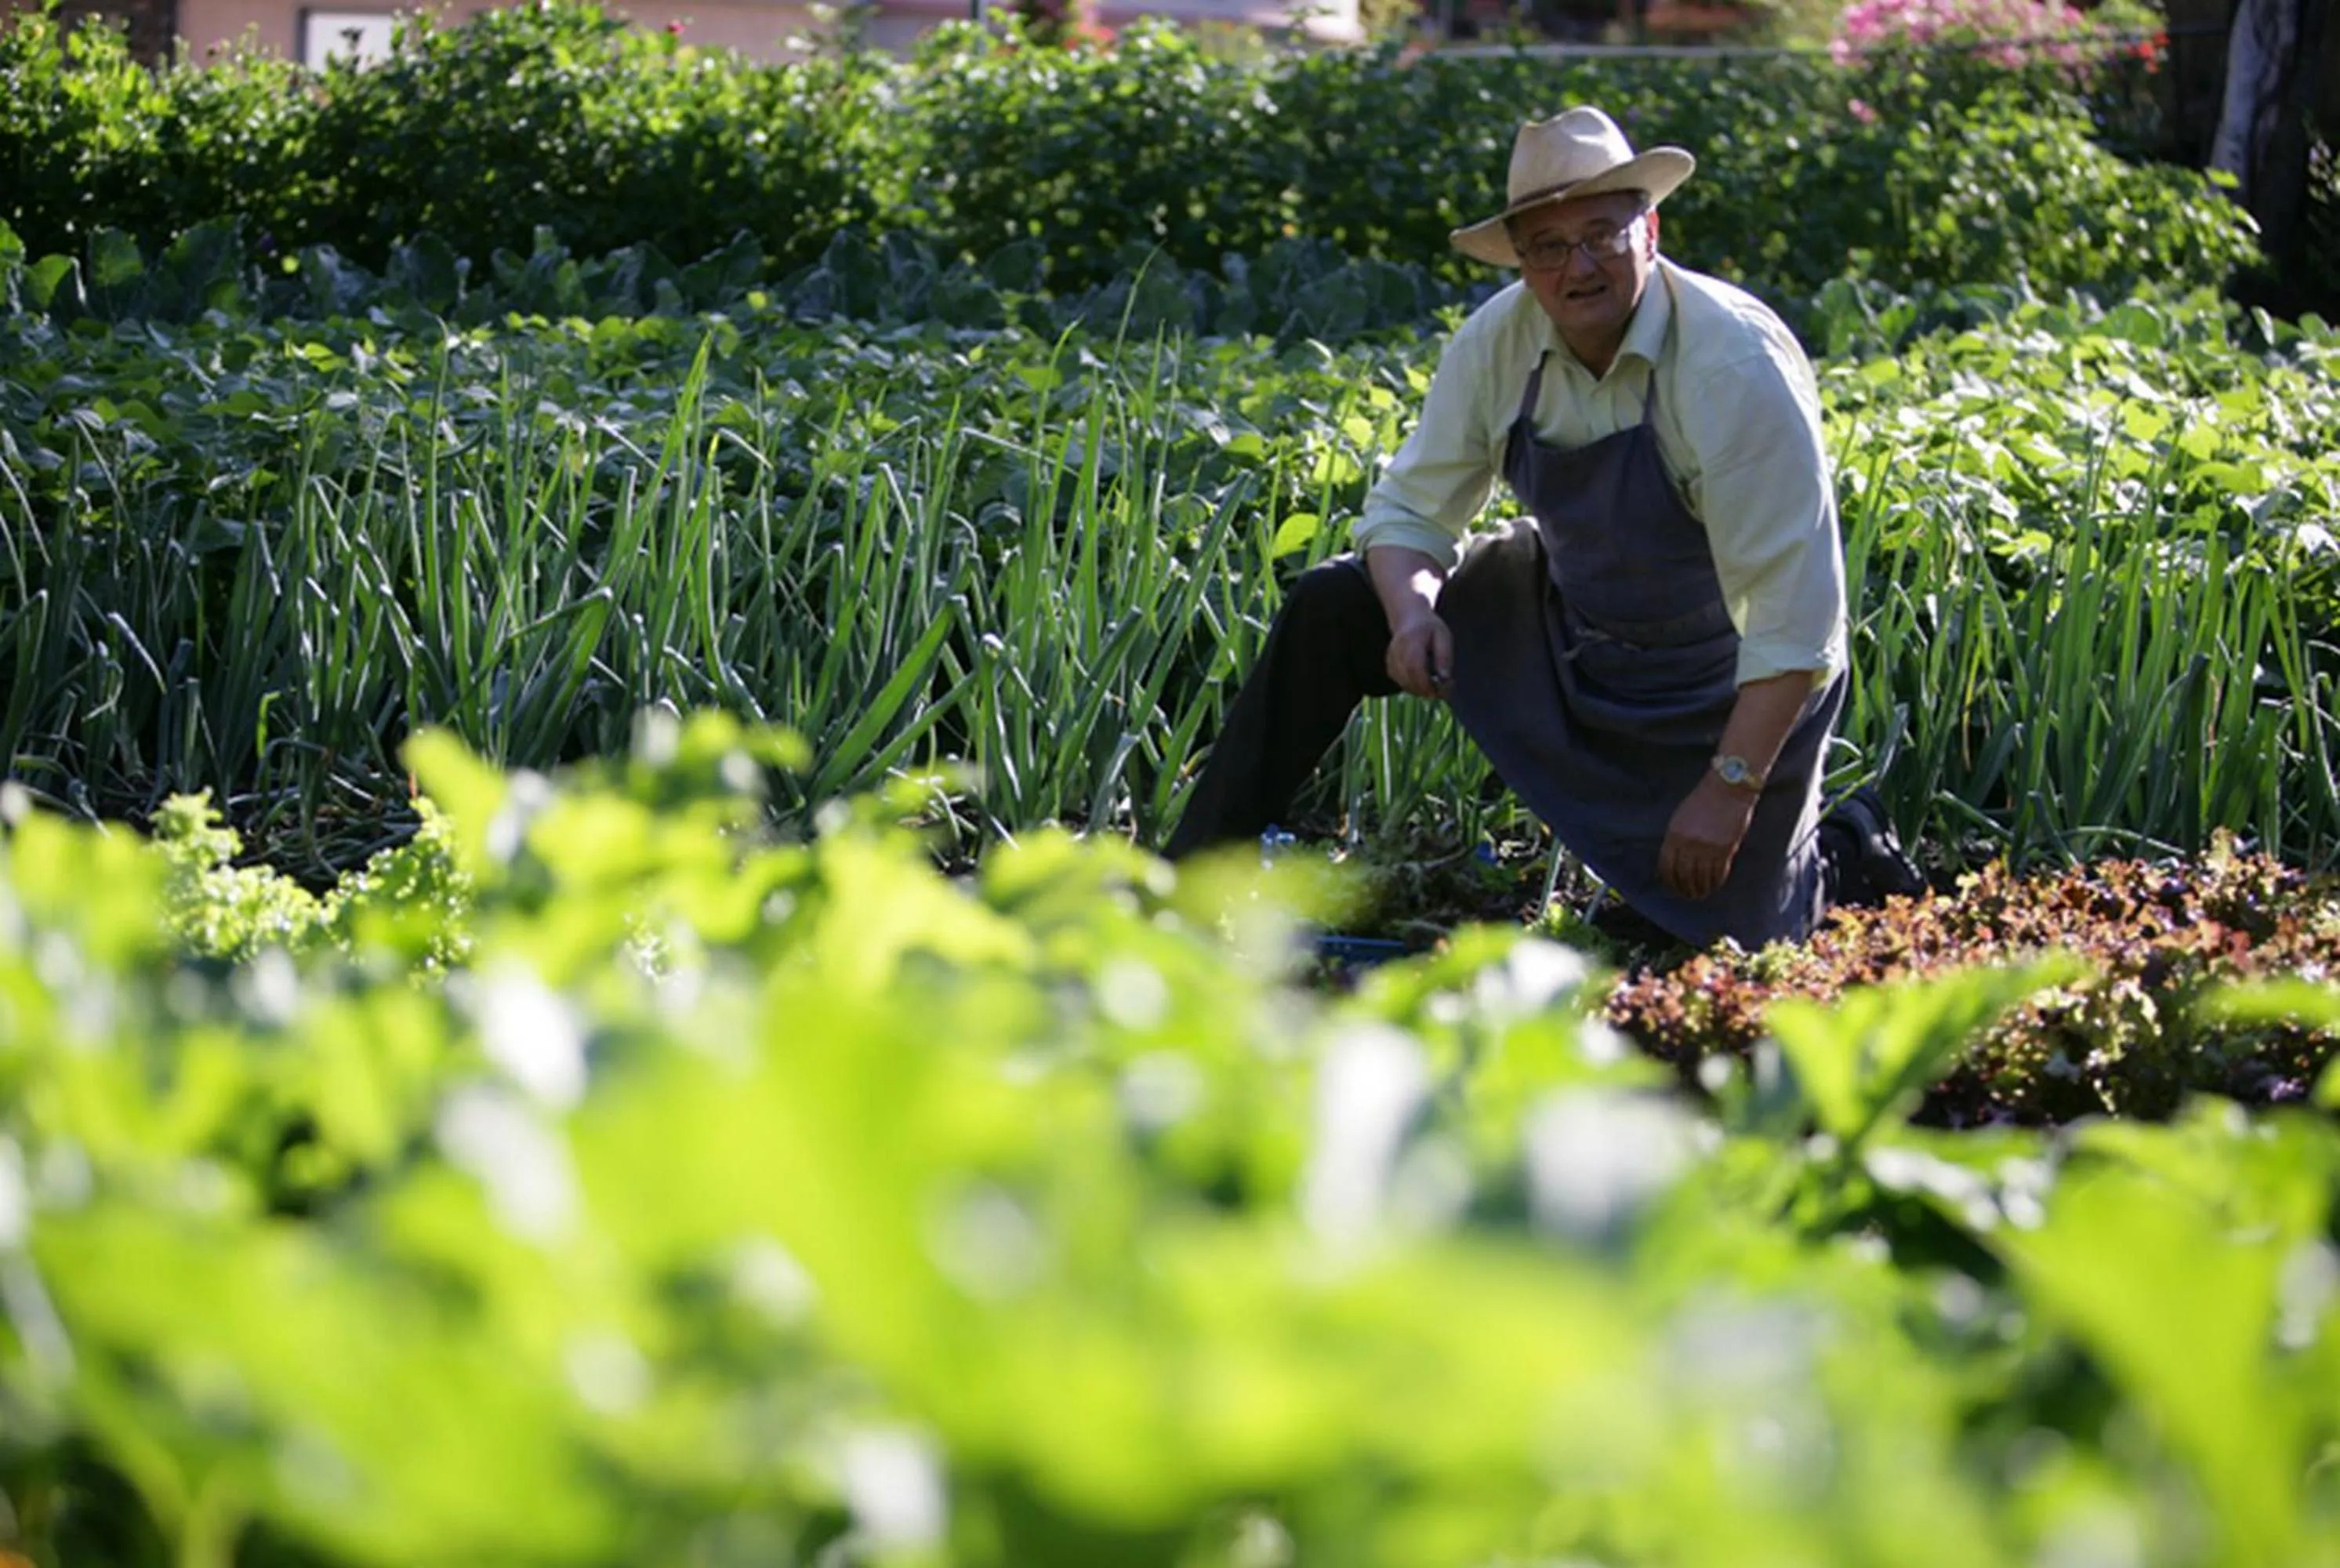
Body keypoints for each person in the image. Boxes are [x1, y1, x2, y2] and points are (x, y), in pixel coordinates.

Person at [1163, 105, 1852, 949]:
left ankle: (1844, 845)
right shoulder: (1500, 340)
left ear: (1652, 228)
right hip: (1572, 632)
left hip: (1724, 686)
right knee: (1336, 603)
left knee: (1734, 946)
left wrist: (1732, 787)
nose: (1579, 267)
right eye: (1549, 247)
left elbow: (1795, 617)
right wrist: (1414, 613)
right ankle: (1186, 896)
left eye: (1602, 233)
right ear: (1522, 260)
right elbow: (1411, 509)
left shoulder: (1732, 364)